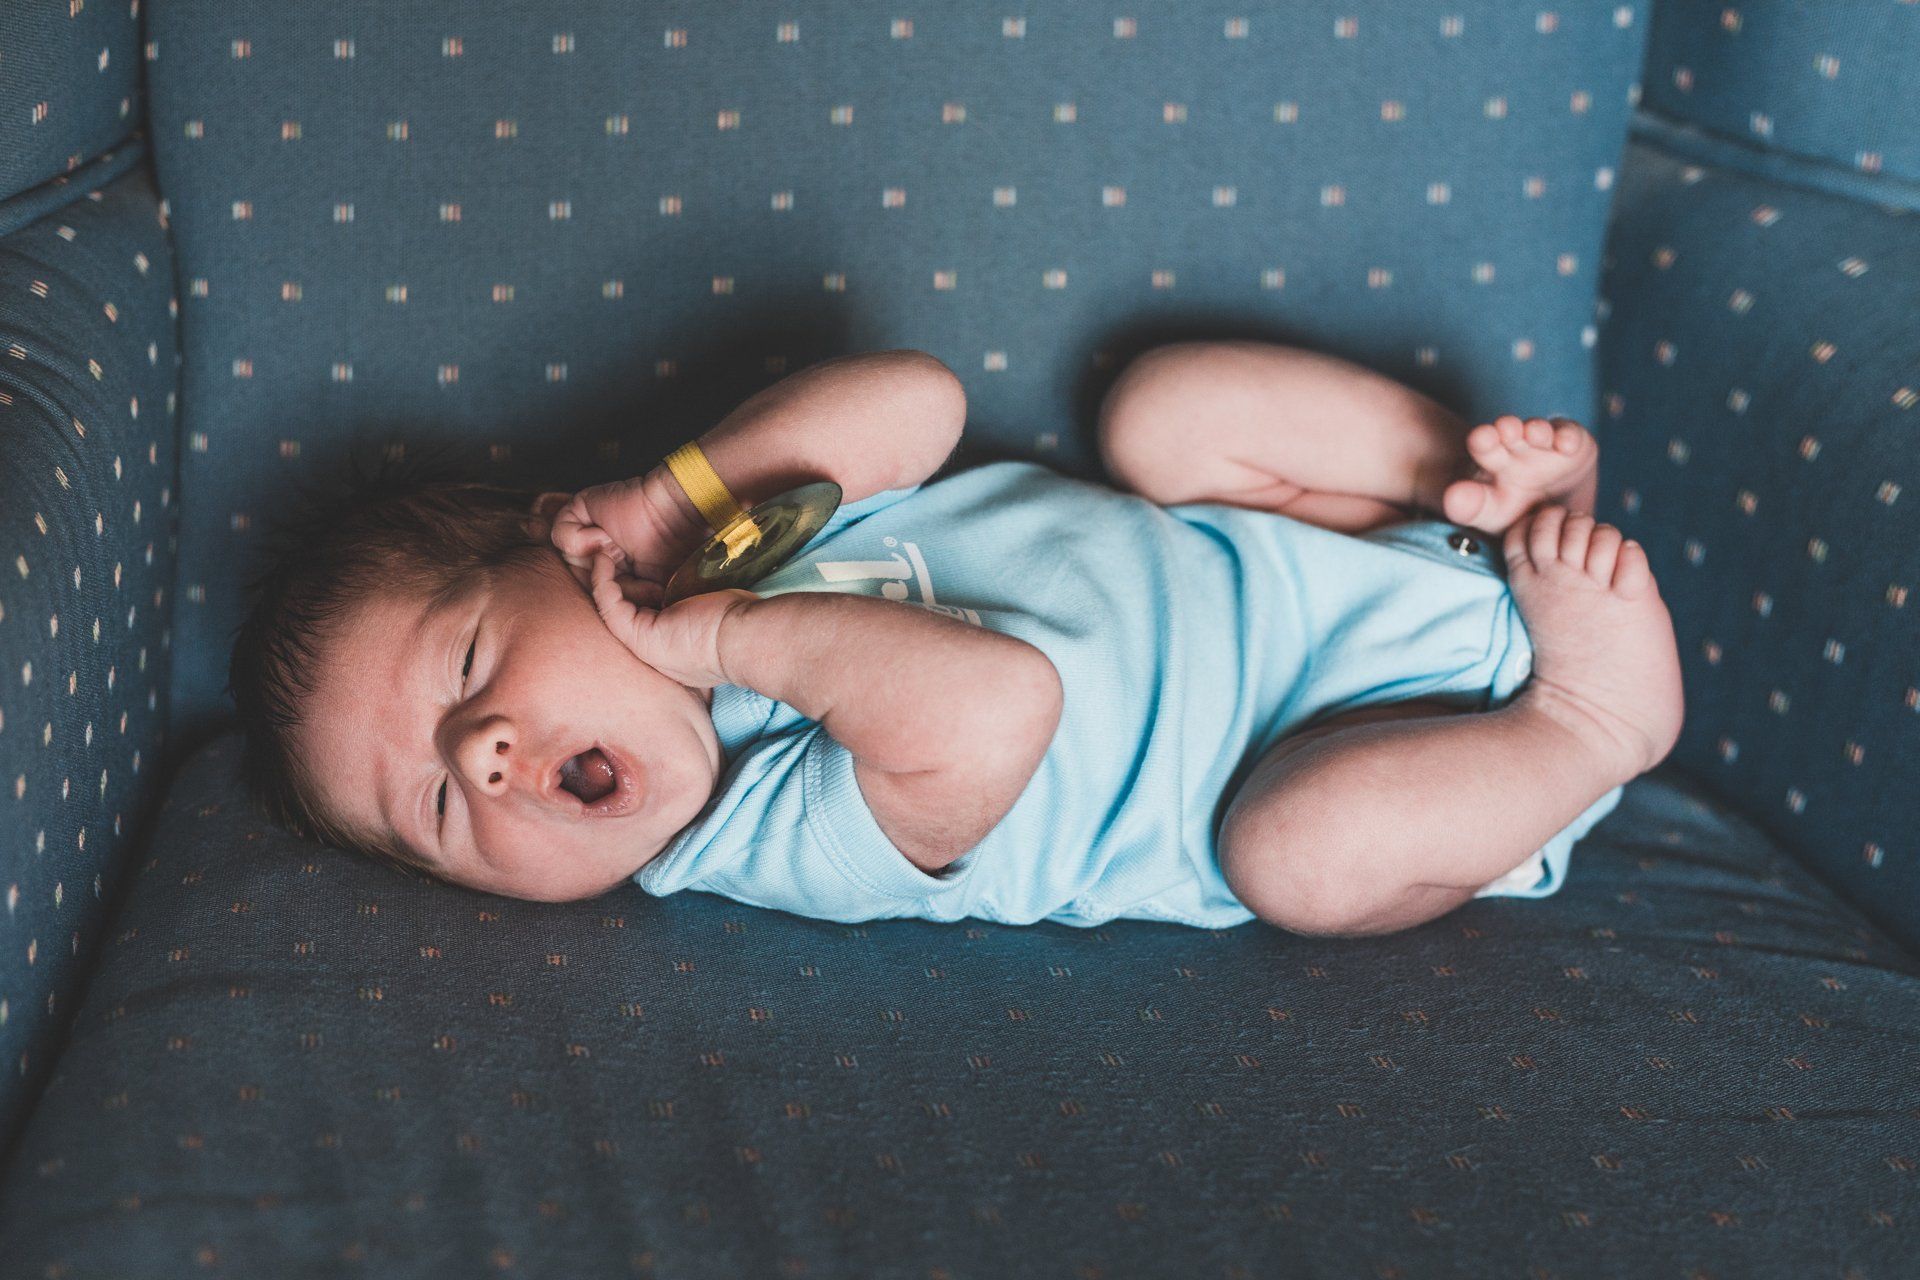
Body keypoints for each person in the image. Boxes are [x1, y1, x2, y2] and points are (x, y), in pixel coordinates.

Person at [229, 343, 1681, 936]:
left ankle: (1492, 509)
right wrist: (722, 646)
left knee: (1164, 412)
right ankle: (1599, 718)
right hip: (1415, 765)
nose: (484, 757)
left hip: (1341, 560)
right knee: (1297, 863)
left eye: (467, 670)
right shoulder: (753, 842)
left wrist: (676, 502)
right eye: (440, 809)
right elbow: (995, 706)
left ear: (558, 547)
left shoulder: (727, 539)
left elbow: (917, 401)